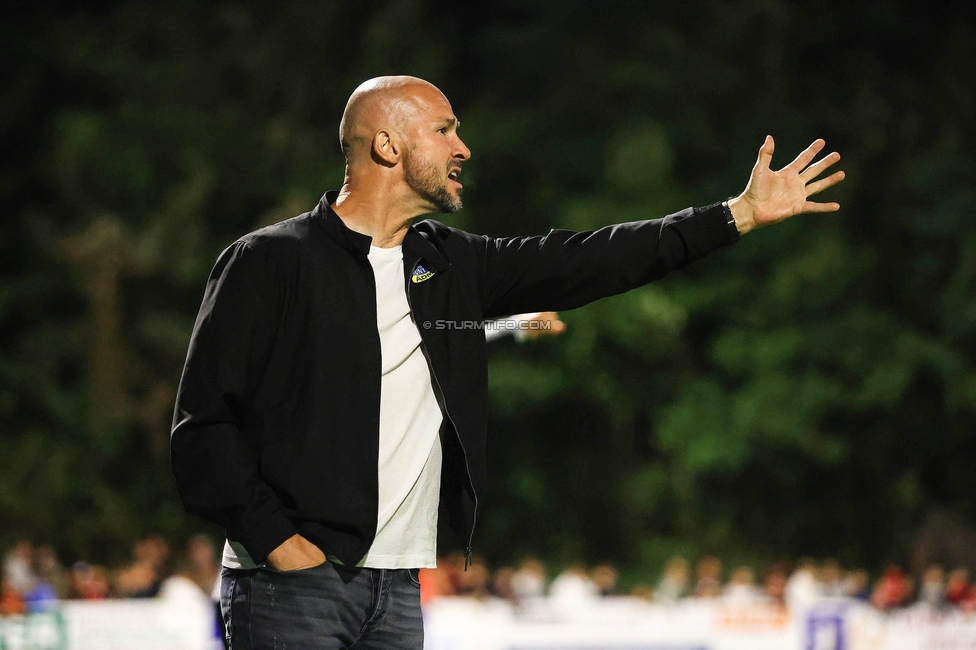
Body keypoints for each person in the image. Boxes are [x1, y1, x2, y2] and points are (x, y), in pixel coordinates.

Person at [170, 75, 844, 649]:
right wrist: (279, 543)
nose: (463, 147)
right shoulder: (268, 262)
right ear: (387, 144)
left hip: (399, 591)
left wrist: (734, 217)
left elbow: (589, 258)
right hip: (294, 588)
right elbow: (202, 429)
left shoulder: (448, 263)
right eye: (444, 130)